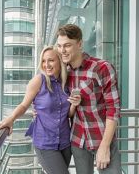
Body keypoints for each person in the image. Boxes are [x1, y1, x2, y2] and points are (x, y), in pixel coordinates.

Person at [0, 46, 80, 174]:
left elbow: (67, 114)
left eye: (51, 60)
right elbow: (24, 105)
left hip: (65, 142)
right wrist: (11, 118)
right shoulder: (38, 80)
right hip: (45, 144)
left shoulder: (66, 82)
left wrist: (74, 104)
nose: (47, 65)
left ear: (59, 61)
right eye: (44, 61)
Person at [56, 24, 122, 174]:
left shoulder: (102, 68)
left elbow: (113, 109)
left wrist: (104, 147)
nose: (62, 51)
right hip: (78, 140)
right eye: (59, 46)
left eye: (67, 45)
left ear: (79, 44)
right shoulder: (64, 74)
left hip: (103, 139)